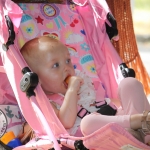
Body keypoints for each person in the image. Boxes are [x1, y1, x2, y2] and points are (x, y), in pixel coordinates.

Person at [20, 36, 150, 144]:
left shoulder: (83, 82)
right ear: (38, 78)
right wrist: (71, 90)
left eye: (68, 60)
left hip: (119, 122)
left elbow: (103, 101)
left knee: (129, 83)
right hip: (95, 134)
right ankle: (139, 128)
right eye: (55, 65)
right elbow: (66, 122)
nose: (67, 68)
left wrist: (124, 105)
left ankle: (138, 132)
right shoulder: (44, 101)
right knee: (87, 122)